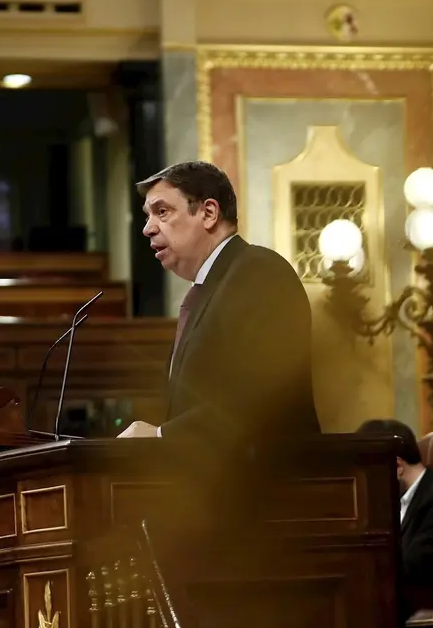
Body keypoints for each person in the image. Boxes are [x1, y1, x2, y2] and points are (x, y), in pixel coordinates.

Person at [117, 161, 320, 450]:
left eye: (162, 212)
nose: (148, 229)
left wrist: (162, 436)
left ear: (209, 213)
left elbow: (260, 396)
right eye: (147, 216)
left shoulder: (260, 271)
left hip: (269, 484)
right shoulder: (206, 290)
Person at [356, 419, 433, 614]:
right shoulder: (395, 500)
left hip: (432, 610)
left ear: (397, 466)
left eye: (368, 472)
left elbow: (420, 567)